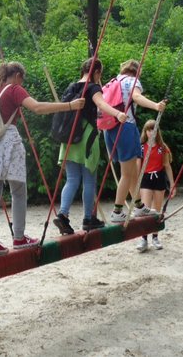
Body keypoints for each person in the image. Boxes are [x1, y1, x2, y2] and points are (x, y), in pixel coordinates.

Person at [0, 62, 85, 254]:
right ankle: (19, 237)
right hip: (8, 142)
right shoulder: (14, 89)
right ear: (18, 75)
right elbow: (37, 107)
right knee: (19, 190)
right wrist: (70, 106)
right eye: (22, 79)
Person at [52, 58, 127, 235]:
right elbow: (101, 104)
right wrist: (118, 114)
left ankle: (63, 214)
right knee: (89, 181)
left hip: (69, 137)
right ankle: (88, 219)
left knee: (72, 179)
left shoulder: (71, 87)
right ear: (96, 72)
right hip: (86, 137)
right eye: (100, 74)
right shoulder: (93, 87)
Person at [103, 59, 167, 222]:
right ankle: (117, 211)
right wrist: (156, 106)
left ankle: (138, 205)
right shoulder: (132, 81)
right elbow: (137, 97)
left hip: (109, 129)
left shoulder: (112, 82)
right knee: (127, 173)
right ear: (136, 71)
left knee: (132, 170)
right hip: (126, 127)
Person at [136, 120, 175, 252]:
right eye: (149, 130)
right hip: (145, 178)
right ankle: (144, 239)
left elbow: (167, 166)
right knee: (146, 209)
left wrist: (172, 185)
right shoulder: (141, 147)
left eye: (154, 130)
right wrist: (135, 183)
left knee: (156, 210)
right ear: (145, 132)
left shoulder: (162, 147)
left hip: (158, 178)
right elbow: (137, 166)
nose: (151, 132)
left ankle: (155, 237)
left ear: (157, 132)